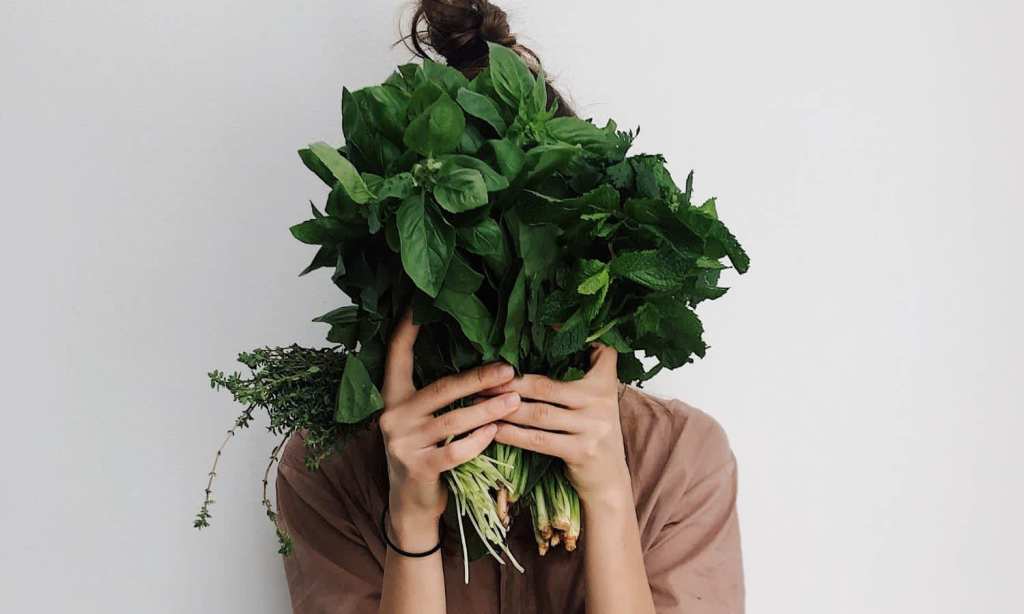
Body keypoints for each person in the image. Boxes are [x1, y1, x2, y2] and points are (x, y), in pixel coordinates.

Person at [275, 2, 744, 613]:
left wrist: (606, 495)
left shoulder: (677, 461)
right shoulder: (330, 470)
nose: (501, 334)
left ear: (591, 271)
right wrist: (411, 520)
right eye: (471, 284)